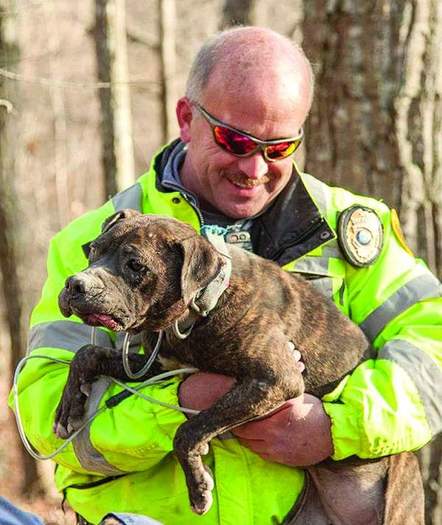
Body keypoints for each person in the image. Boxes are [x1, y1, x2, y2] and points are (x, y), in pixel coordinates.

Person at [11, 26, 441, 525]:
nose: (255, 168)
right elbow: (46, 419)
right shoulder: (93, 242)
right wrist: (178, 403)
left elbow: (432, 353)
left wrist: (335, 427)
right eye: (235, 140)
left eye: (279, 148)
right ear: (186, 119)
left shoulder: (346, 231)